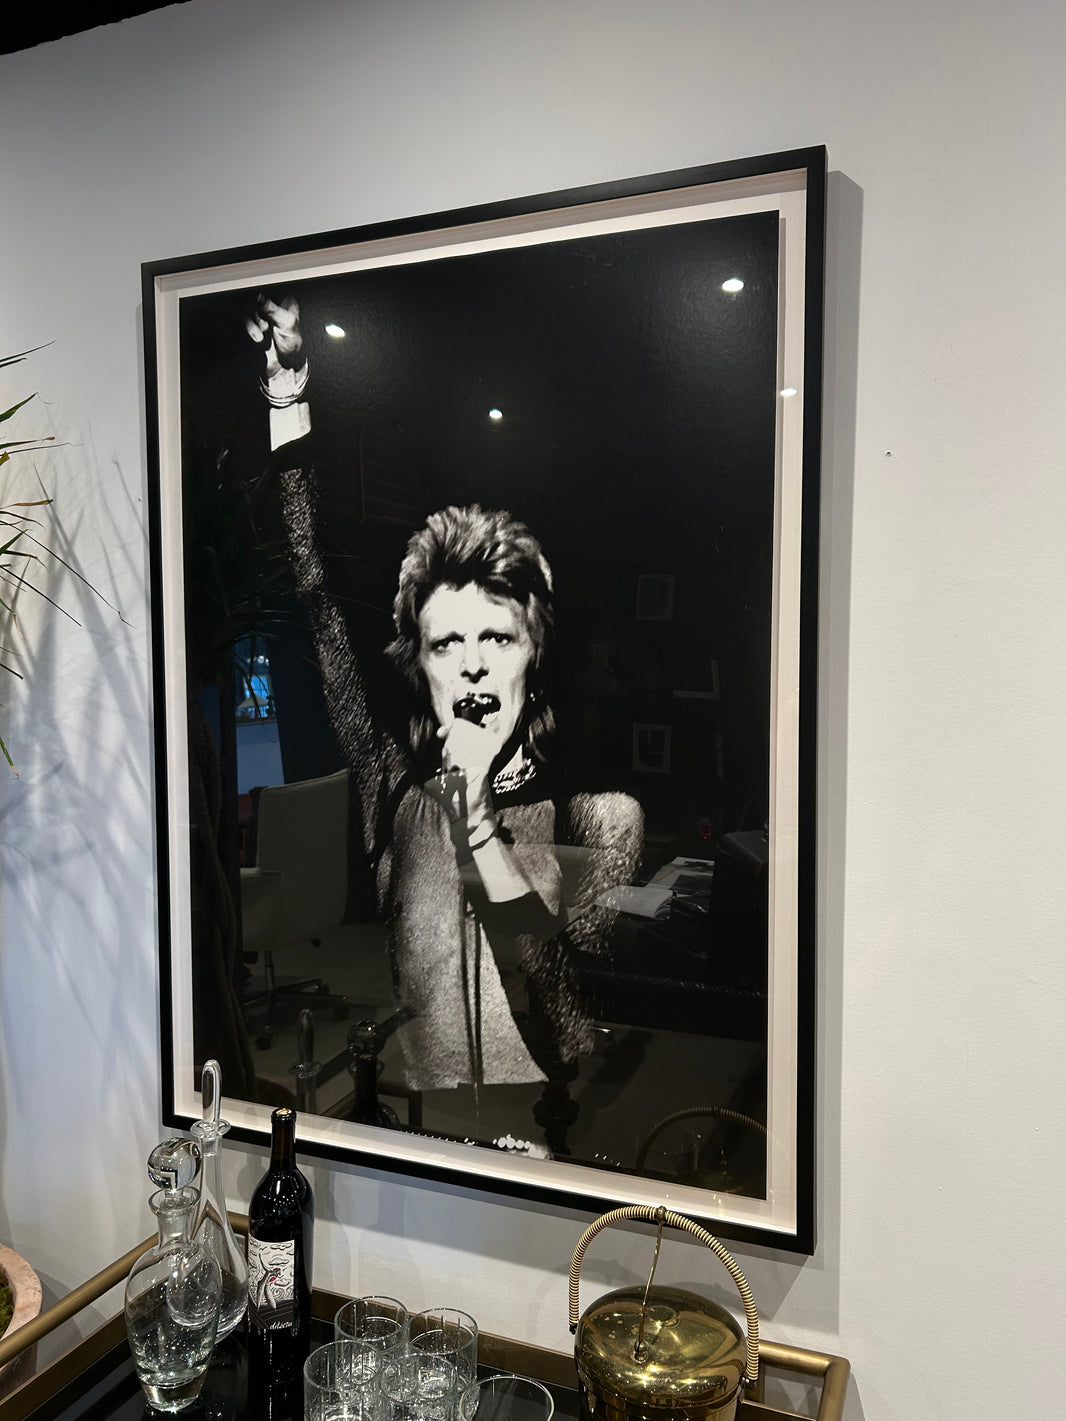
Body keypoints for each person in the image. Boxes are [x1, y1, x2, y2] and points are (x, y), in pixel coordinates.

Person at [248, 294, 643, 1092]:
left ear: (535, 652)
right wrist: (286, 408)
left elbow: (572, 1010)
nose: (469, 664)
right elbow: (317, 596)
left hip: (548, 1126)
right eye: (445, 642)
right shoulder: (393, 781)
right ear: (419, 661)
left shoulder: (592, 813)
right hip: (425, 1127)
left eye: (495, 638)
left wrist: (483, 831)